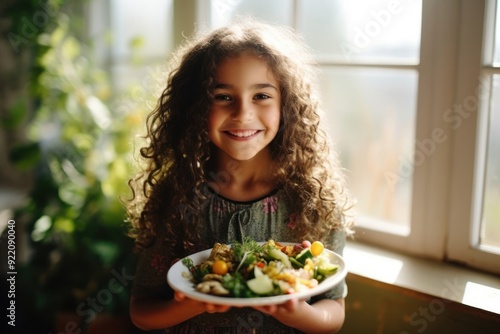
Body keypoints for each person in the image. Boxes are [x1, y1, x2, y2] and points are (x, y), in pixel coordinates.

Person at [126, 19, 355, 334]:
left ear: (286, 105)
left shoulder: (312, 198)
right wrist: (191, 303)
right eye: (222, 96)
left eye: (261, 96)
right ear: (194, 106)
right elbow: (142, 311)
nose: (243, 113)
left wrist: (297, 314)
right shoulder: (178, 196)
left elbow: (334, 310)